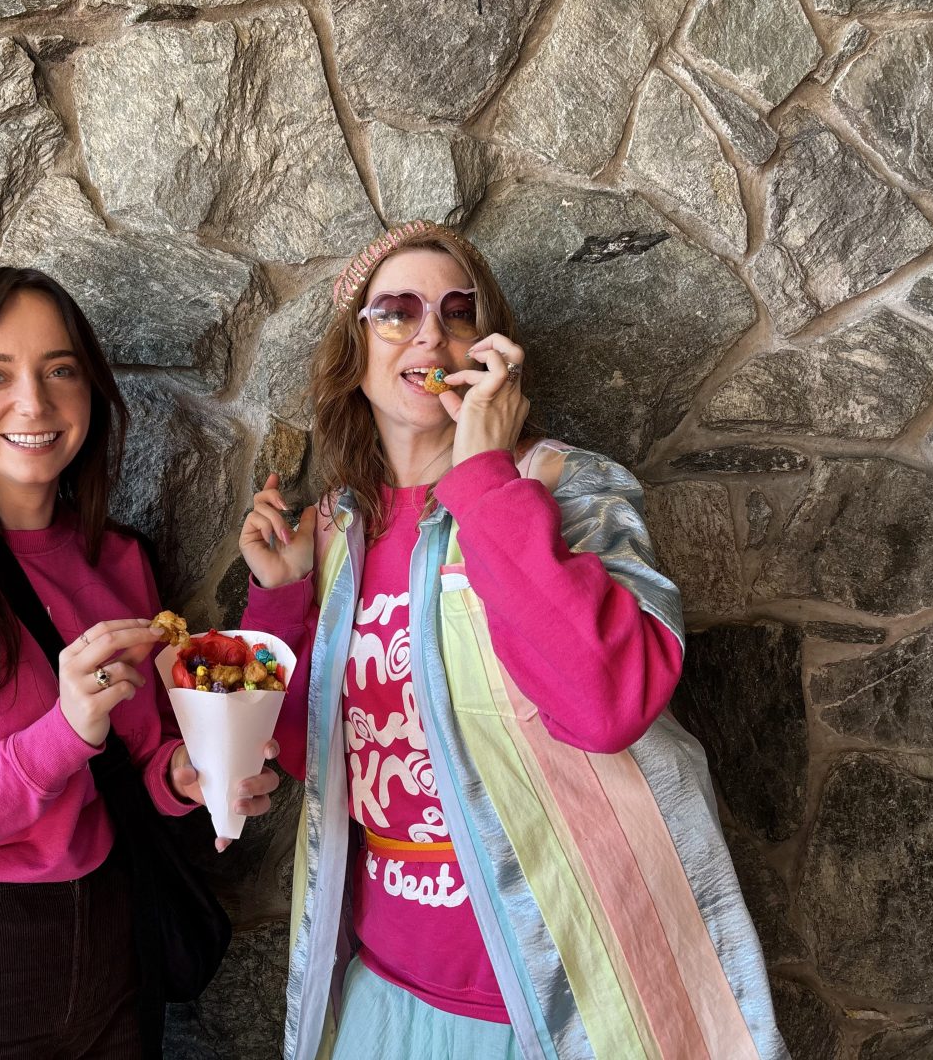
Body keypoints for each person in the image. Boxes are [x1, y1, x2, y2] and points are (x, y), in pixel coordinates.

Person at [238, 221, 788, 1060]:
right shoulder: (337, 528)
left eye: (458, 312)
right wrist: (279, 596)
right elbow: (315, 756)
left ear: (491, 349)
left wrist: (483, 481)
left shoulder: (572, 487)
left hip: (572, 1004)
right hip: (386, 992)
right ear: (354, 352)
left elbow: (609, 704)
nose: (431, 334)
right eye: (397, 312)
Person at [0, 267, 279, 1059]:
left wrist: (185, 778)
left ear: (91, 392)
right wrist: (61, 733)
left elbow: (132, 768)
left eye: (60, 370)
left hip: (110, 946)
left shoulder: (120, 560)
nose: (33, 403)